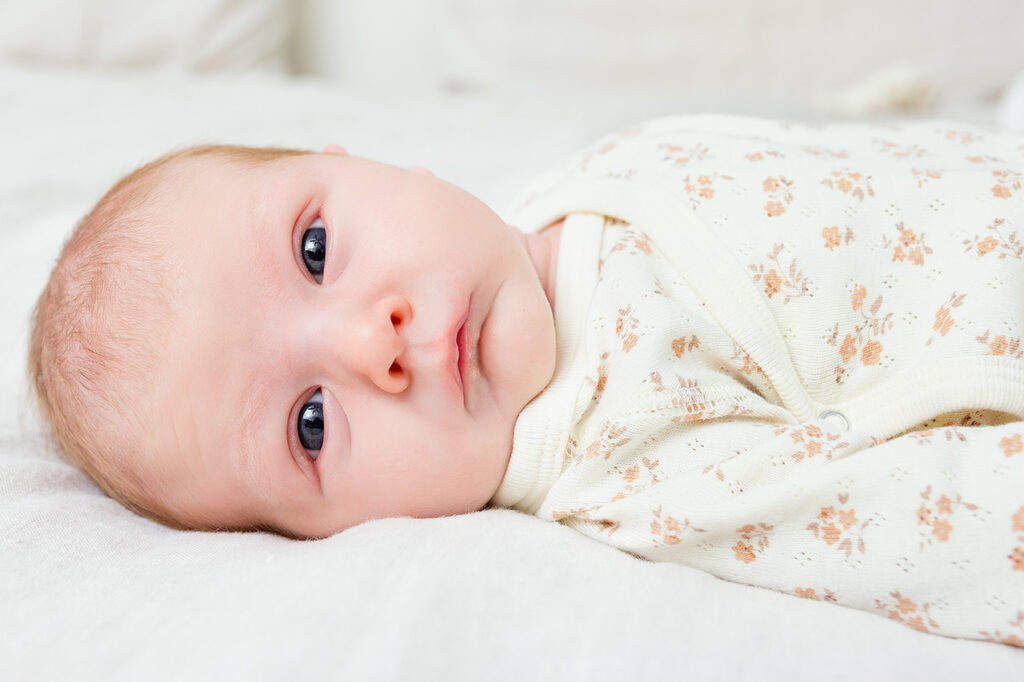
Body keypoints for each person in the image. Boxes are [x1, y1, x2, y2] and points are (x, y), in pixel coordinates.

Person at [29, 115, 1024, 647]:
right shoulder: (624, 462)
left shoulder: (580, 177)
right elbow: (920, 528)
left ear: (356, 158)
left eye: (317, 246)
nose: (373, 340)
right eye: (312, 424)